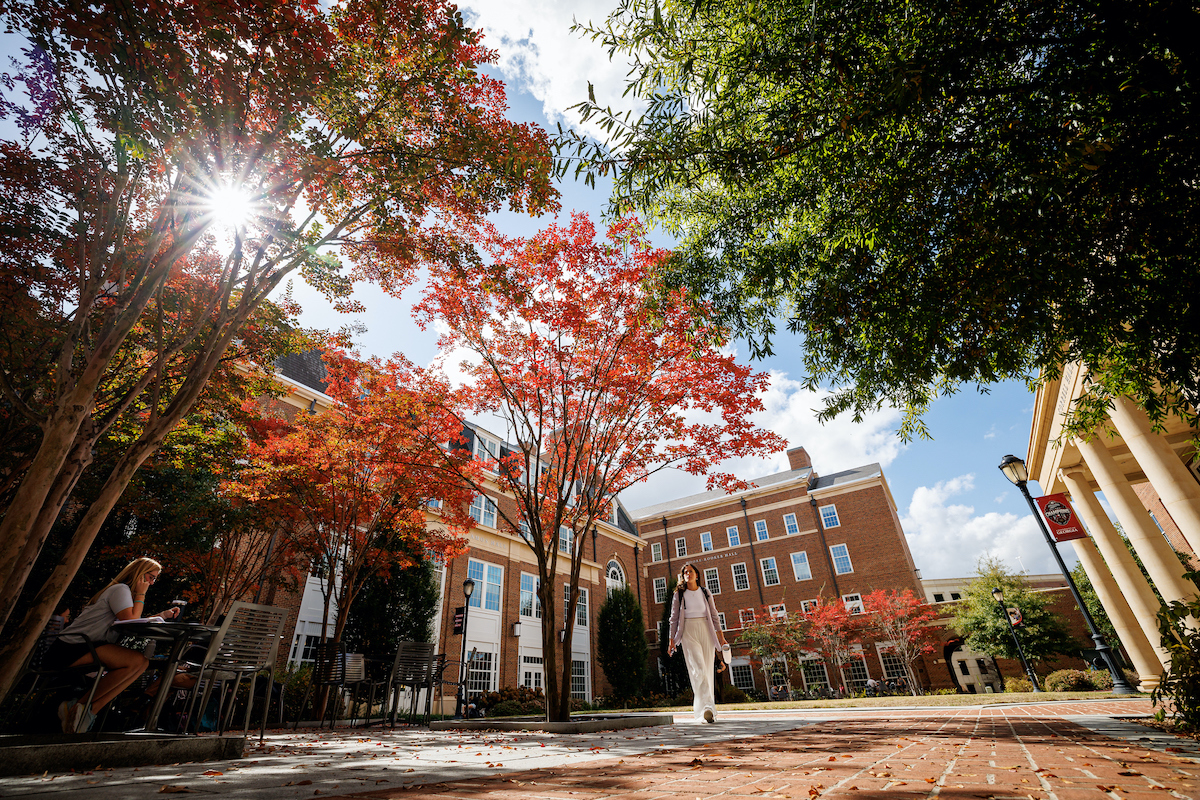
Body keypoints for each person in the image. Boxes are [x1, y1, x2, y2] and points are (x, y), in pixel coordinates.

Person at [44, 557, 181, 733]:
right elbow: (130, 620)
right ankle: (78, 707)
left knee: (141, 663)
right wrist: (141, 594)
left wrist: (162, 614)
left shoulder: (123, 592)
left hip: (86, 646)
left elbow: (131, 619)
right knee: (136, 662)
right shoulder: (120, 589)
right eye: (151, 577)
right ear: (140, 573)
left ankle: (86, 710)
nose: (152, 583)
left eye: (154, 579)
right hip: (70, 648)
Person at [667, 563, 728, 724]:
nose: (688, 574)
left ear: (697, 575)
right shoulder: (679, 594)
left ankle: (707, 711)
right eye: (685, 572)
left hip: (705, 631)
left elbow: (714, 615)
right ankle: (706, 708)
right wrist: (671, 641)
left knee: (707, 670)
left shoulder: (705, 592)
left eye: (690, 571)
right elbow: (673, 619)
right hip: (688, 631)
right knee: (698, 669)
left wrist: (720, 637)